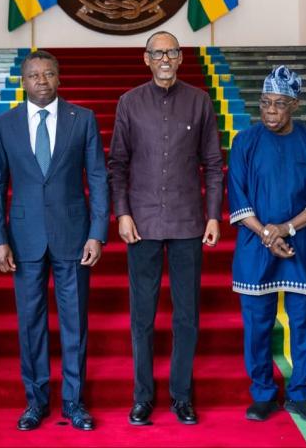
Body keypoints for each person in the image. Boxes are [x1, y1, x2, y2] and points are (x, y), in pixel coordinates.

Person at [0, 50, 109, 432]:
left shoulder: (82, 119)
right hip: (23, 240)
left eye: (49, 74)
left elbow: (99, 177)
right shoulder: (4, 124)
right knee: (30, 323)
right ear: (23, 81)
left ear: (59, 79)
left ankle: (74, 402)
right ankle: (35, 401)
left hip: (73, 236)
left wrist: (97, 232)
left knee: (74, 323)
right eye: (34, 75)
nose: (42, 80)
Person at [109, 31, 223, 426]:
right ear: (145, 58)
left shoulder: (200, 101)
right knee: (142, 316)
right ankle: (142, 397)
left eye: (171, 52)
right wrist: (122, 213)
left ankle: (181, 396)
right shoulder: (129, 103)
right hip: (140, 224)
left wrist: (212, 216)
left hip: (188, 221)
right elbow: (118, 165)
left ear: (180, 57)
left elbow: (212, 163)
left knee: (186, 316)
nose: (164, 58)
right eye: (157, 53)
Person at [227, 66, 306, 422]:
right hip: (255, 246)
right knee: (257, 323)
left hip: (299, 246)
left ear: (295, 105)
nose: (270, 111)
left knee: (304, 321)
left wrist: (285, 229)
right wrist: (266, 234)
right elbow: (238, 195)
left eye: (279, 104)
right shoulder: (245, 141)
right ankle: (262, 393)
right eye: (264, 103)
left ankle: (300, 394)